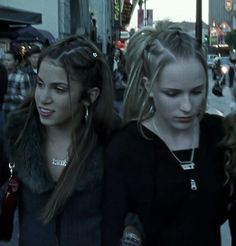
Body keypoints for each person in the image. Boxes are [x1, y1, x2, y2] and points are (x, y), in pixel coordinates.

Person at [102, 27, 231, 246]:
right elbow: (112, 228)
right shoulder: (126, 147)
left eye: (197, 92)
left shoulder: (219, 134)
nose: (187, 106)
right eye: (173, 94)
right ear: (148, 86)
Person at [2, 35, 115, 246]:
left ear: (90, 96)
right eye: (40, 84)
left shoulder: (111, 144)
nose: (43, 97)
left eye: (59, 89)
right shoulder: (17, 134)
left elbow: (128, 212)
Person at [2, 49, 31, 117]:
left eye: (8, 60)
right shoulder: (1, 74)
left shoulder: (22, 76)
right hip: (2, 111)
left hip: (14, 113)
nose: (5, 62)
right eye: (4, 60)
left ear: (16, 62)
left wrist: (9, 98)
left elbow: (26, 97)